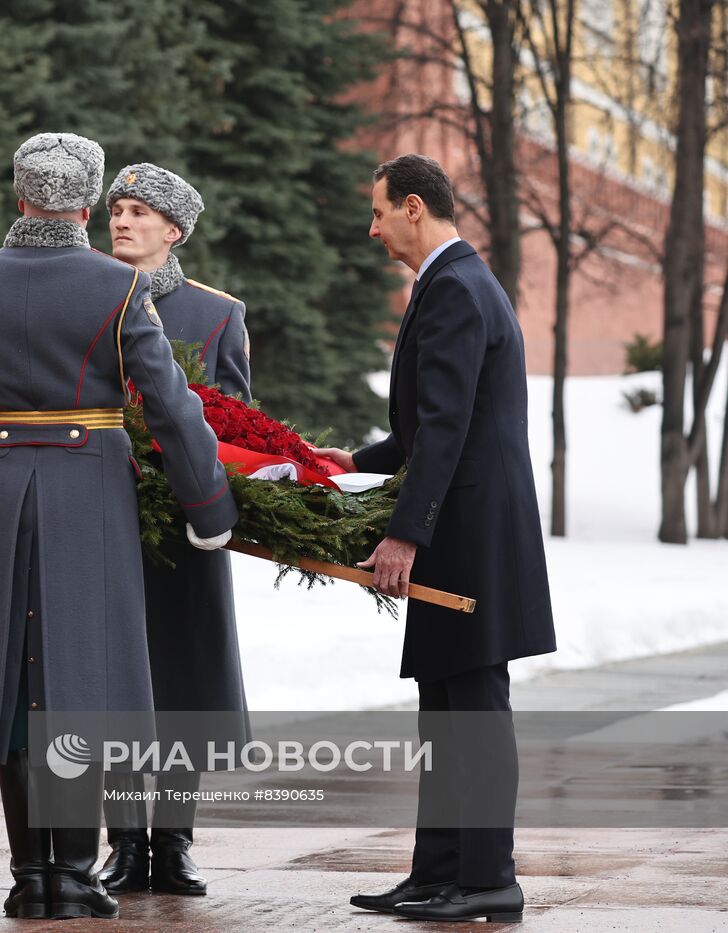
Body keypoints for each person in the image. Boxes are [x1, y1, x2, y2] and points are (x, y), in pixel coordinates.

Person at [0, 133, 239, 921]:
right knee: (77, 681)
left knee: (12, 678)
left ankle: (28, 874)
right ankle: (71, 873)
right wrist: (209, 505)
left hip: (2, 483)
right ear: (86, 203)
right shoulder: (116, 287)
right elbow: (170, 403)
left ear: (18, 194)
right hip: (90, 485)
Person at [314, 154, 556, 924]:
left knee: (473, 703)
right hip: (463, 519)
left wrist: (403, 535)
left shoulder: (454, 287)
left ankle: (487, 876)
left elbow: (447, 427)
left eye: (380, 210)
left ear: (415, 207)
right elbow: (430, 425)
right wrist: (355, 462)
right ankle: (441, 869)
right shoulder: (455, 282)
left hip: (469, 529)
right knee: (446, 704)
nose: (374, 227)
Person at [95, 163, 252, 897]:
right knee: (115, 678)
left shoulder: (218, 313)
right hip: (105, 522)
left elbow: (237, 427)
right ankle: (124, 841)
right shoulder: (85, 295)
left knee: (182, 680)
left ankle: (175, 840)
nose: (121, 221)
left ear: (174, 229)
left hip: (187, 532)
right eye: (116, 209)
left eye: (137, 212)